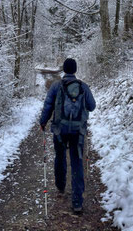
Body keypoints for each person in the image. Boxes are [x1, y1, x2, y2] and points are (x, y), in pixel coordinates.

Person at [39, 58, 96, 213]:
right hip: (78, 132)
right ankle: (77, 203)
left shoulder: (56, 86)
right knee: (77, 162)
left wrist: (43, 122)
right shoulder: (83, 86)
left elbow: (48, 105)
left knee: (60, 156)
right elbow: (92, 106)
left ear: (64, 70)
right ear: (75, 70)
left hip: (60, 130)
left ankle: (60, 185)